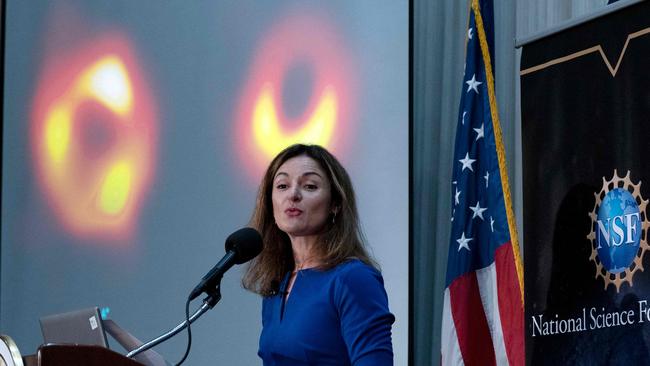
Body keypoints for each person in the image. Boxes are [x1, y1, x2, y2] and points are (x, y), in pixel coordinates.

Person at [243, 144, 395, 365]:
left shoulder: (353, 279)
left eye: (310, 186)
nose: (293, 195)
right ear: (270, 202)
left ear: (335, 204)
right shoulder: (276, 284)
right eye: (282, 185)